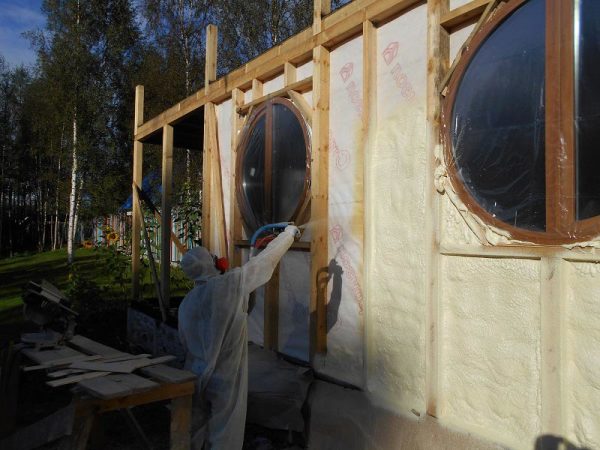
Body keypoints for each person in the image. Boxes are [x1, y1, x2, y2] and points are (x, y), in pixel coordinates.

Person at [178, 225, 301, 450]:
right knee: (225, 430)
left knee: (194, 428)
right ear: (211, 264)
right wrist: (287, 235)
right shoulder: (230, 284)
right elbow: (264, 263)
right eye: (213, 257)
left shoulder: (187, 303)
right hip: (226, 375)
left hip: (195, 373)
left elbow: (185, 341)